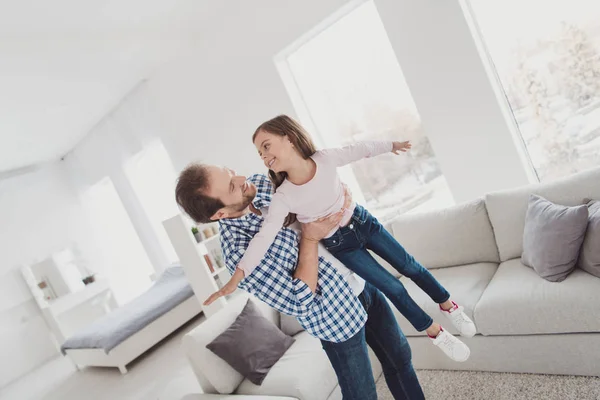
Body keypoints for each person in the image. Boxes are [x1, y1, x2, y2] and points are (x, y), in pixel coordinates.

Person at [208, 115, 475, 362]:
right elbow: (263, 238)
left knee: (409, 266)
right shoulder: (282, 196)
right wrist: (236, 277)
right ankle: (435, 333)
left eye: (266, 146)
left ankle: (449, 305)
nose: (263, 156)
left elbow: (359, 149)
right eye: (260, 152)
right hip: (340, 245)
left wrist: (391, 145)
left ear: (288, 138)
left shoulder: (324, 159)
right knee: (392, 287)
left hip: (362, 222)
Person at [176, 167, 425, 400]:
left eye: (231, 172)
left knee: (401, 359)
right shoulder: (239, 254)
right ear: (219, 214)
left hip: (363, 282)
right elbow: (300, 299)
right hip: (336, 318)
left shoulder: (262, 184)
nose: (241, 179)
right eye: (231, 186)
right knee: (362, 395)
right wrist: (309, 237)